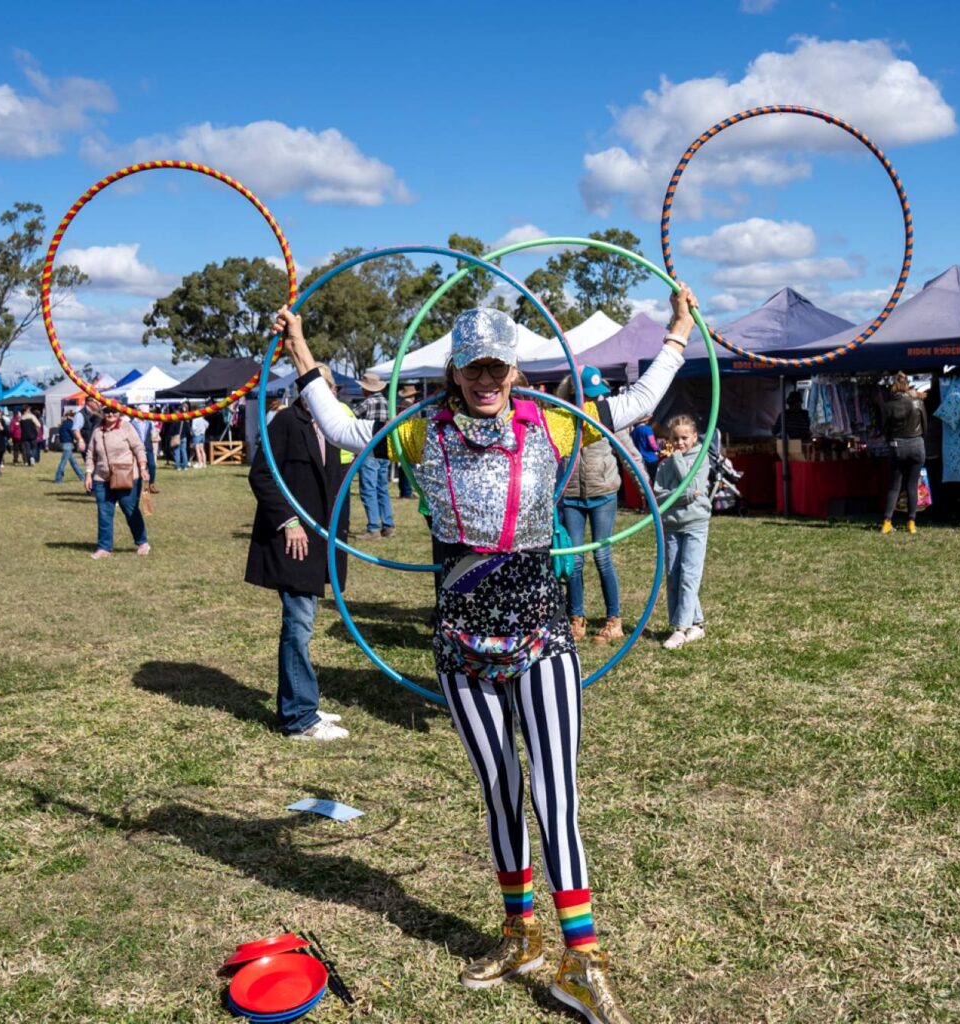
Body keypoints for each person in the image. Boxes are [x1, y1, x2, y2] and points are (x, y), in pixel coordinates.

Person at [275, 285, 698, 1024]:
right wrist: (304, 354)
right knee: (501, 791)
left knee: (555, 795)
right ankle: (519, 932)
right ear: (453, 372)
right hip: (463, 646)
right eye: (472, 368)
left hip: (540, 638)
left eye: (496, 368)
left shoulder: (554, 424)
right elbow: (344, 428)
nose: (484, 380)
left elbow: (633, 406)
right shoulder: (419, 431)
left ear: (515, 371)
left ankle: (583, 961)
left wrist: (679, 335)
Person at [245, 363, 352, 743]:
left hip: (321, 540)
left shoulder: (334, 426)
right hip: (295, 541)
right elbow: (261, 475)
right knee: (298, 625)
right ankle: (298, 718)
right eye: (320, 387)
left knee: (303, 624)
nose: (328, 394)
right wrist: (289, 521)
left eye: (332, 388)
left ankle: (303, 703)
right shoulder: (286, 423)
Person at [555, 366, 629, 646]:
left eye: (600, 396)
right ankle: (576, 618)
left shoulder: (606, 418)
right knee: (573, 559)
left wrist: (649, 489)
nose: (597, 402)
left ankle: (614, 619)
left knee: (602, 555)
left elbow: (628, 451)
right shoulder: (563, 418)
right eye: (591, 397)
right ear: (576, 394)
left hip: (603, 493)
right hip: (572, 496)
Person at [652, 414, 719, 650]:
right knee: (674, 575)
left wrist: (678, 461)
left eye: (684, 438)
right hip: (671, 524)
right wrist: (685, 496)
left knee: (689, 576)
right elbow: (659, 495)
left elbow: (691, 486)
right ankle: (697, 624)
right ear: (669, 438)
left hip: (695, 524)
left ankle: (680, 629)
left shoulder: (701, 459)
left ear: (694, 436)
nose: (680, 443)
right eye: (675, 438)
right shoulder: (663, 464)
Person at [84, 404, 150, 558]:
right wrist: (88, 473)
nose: (111, 414)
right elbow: (90, 453)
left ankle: (142, 542)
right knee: (104, 512)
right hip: (102, 478)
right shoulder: (97, 431)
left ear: (119, 413)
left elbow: (138, 448)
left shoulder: (127, 427)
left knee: (130, 509)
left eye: (114, 411)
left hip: (126, 476)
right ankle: (104, 548)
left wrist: (142, 466)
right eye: (107, 411)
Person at [881, 371, 928, 534]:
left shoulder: (887, 406)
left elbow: (884, 430)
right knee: (912, 485)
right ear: (907, 384)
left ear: (893, 386)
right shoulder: (918, 403)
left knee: (894, 486)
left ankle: (887, 522)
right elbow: (925, 427)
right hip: (916, 445)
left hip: (897, 446)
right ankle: (911, 523)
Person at [353, 372, 396, 538]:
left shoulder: (367, 403)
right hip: (385, 450)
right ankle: (388, 524)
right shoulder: (387, 403)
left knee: (368, 489)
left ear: (366, 389)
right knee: (382, 488)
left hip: (369, 449)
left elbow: (350, 417)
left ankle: (373, 528)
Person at [53, 410, 85, 483]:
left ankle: (82, 476)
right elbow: (74, 433)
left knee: (74, 463)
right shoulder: (69, 424)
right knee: (63, 463)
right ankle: (58, 478)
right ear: (68, 416)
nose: (73, 417)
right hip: (68, 444)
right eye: (72, 416)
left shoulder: (64, 423)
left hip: (65, 444)